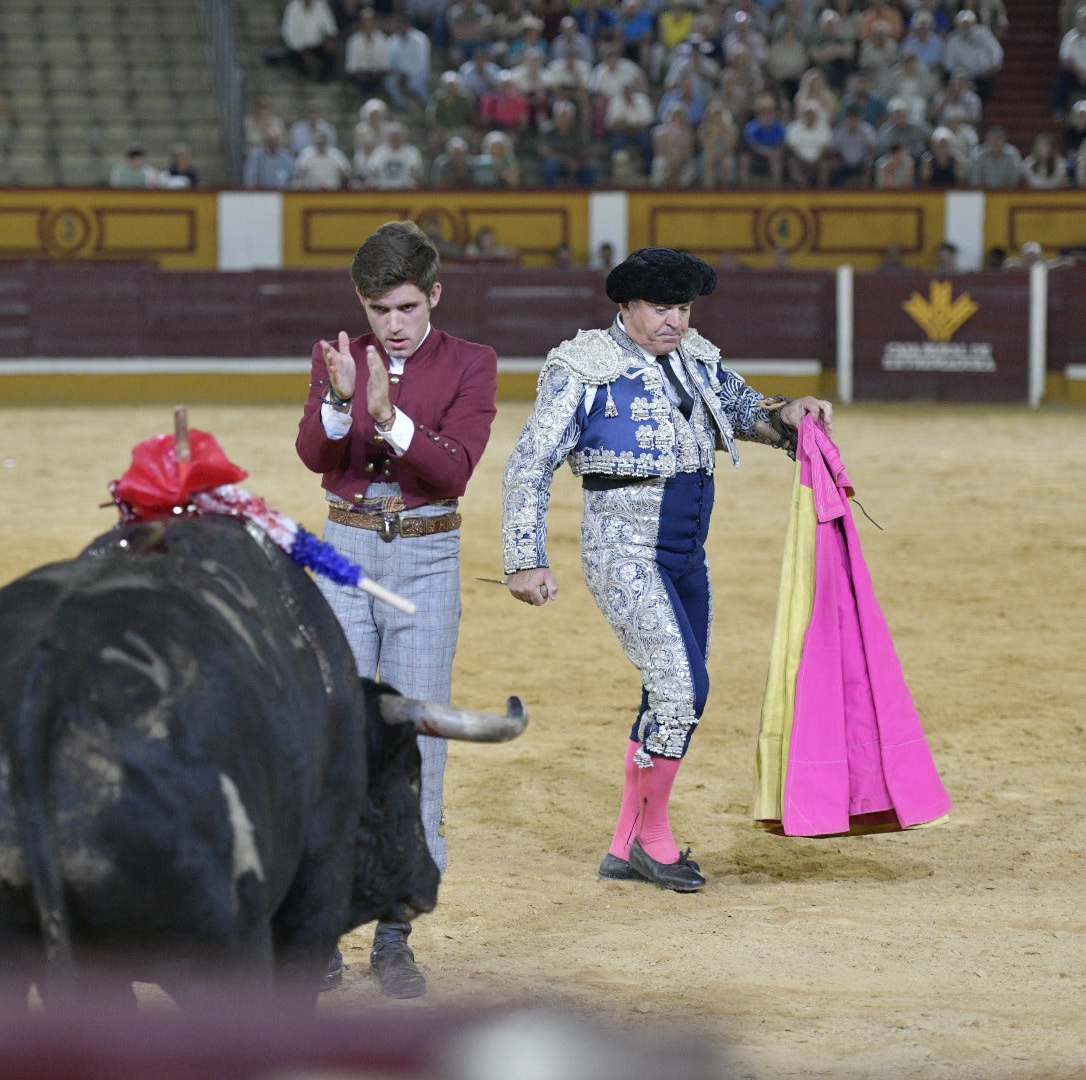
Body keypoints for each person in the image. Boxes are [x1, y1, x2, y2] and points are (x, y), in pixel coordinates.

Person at [500, 247, 831, 892]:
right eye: (660, 307)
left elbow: (743, 414)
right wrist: (526, 557)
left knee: (675, 689)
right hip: (622, 550)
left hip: (684, 554)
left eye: (682, 307)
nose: (674, 320)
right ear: (626, 307)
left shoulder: (697, 358)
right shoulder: (583, 367)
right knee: (683, 688)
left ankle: (626, 846)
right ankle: (653, 839)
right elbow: (530, 462)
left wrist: (788, 415)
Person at [295, 220, 498, 999]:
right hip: (342, 552)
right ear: (362, 302)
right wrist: (344, 404)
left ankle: (394, 933)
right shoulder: (339, 357)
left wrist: (389, 420)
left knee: (415, 739)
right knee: (333, 733)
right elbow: (314, 455)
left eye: (407, 308)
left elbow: (453, 471)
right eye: (379, 309)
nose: (394, 325)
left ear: (434, 296)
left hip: (426, 555)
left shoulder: (472, 363)